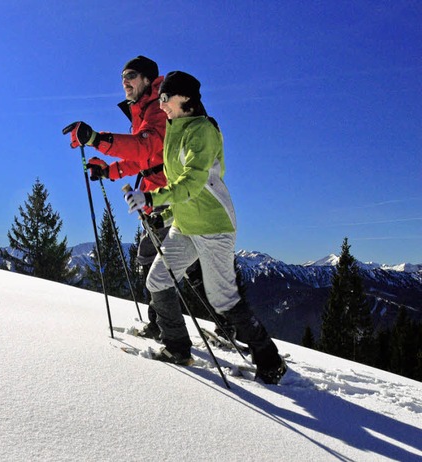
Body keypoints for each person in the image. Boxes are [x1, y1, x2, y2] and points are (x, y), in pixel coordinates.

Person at [123, 71, 287, 384]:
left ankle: (269, 358)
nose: (161, 105)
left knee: (223, 299)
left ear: (183, 98)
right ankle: (177, 348)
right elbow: (180, 186)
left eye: (165, 98)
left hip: (213, 227)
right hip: (185, 226)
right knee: (157, 280)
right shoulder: (174, 128)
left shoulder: (202, 131)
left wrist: (152, 196)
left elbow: (194, 183)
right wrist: (165, 215)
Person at [62, 55, 168, 338]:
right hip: (153, 200)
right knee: (153, 260)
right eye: (122, 76)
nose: (125, 81)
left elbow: (144, 149)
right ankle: (161, 325)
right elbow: (143, 160)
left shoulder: (159, 109)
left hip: (170, 200)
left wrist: (96, 139)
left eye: (131, 75)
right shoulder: (142, 111)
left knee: (166, 265)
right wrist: (109, 171)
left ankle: (172, 330)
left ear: (147, 79)